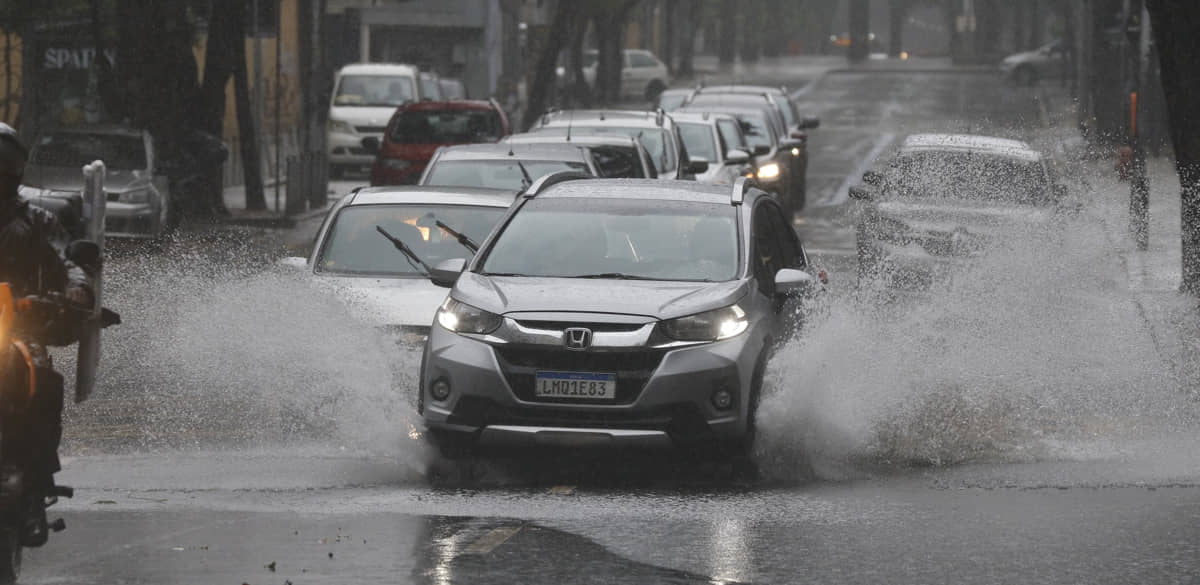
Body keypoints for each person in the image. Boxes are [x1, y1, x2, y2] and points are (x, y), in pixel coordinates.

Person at [0, 123, 93, 546]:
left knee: (42, 375)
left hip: (18, 324)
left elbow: (64, 258)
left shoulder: (37, 220)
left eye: (5, 165)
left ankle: (38, 481)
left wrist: (75, 286)